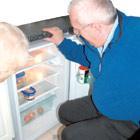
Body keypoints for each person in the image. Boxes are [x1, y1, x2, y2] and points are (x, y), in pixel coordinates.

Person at [43, 0, 140, 139]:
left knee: (69, 135)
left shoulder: (136, 35)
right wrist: (61, 41)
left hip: (131, 118)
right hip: (104, 101)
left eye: (77, 29)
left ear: (96, 27)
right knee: (64, 112)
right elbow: (87, 57)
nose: (76, 33)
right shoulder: (96, 40)